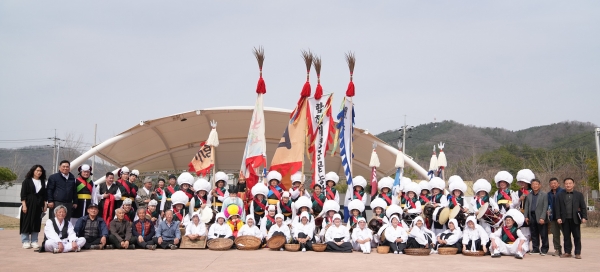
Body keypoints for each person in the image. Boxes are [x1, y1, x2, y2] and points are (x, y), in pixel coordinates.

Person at [554, 178, 587, 259]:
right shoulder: (560, 195)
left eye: (570, 183)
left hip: (575, 219)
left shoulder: (579, 195)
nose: (568, 185)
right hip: (564, 219)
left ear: (573, 184)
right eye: (566, 183)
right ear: (564, 184)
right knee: (566, 237)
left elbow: (583, 207)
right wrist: (558, 217)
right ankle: (567, 252)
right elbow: (557, 207)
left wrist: (584, 217)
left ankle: (577, 253)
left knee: (577, 236)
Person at [20, 165, 47, 250]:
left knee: (37, 222)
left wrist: (45, 204)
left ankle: (34, 241)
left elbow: (44, 195)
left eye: (40, 171)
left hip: (38, 205)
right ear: (33, 171)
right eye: (37, 170)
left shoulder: (43, 181)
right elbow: (23, 194)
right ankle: (25, 241)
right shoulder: (27, 181)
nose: (39, 172)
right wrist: (24, 205)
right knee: (26, 222)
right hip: (28, 203)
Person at [524, 178, 548, 255]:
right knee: (534, 233)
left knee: (543, 234)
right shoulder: (529, 195)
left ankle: (544, 249)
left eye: (536, 184)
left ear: (539, 185)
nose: (535, 186)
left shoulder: (544, 195)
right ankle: (535, 249)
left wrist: (542, 217)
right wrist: (526, 216)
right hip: (532, 216)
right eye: (533, 184)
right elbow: (526, 207)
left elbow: (545, 207)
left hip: (540, 216)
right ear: (531, 186)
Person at [515, 169, 535, 242]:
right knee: (523, 229)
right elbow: (514, 203)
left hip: (530, 212)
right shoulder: (518, 192)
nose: (522, 183)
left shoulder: (532, 191)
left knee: (531, 229)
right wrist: (519, 199)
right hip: (521, 212)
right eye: (521, 182)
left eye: (524, 182)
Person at [547, 177, 565, 256]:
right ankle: (557, 249)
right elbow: (548, 205)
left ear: (558, 184)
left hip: (562, 217)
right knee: (555, 235)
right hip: (553, 217)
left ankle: (567, 250)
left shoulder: (563, 192)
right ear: (549, 185)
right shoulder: (548, 194)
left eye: (555, 183)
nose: (553, 185)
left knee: (566, 234)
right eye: (551, 184)